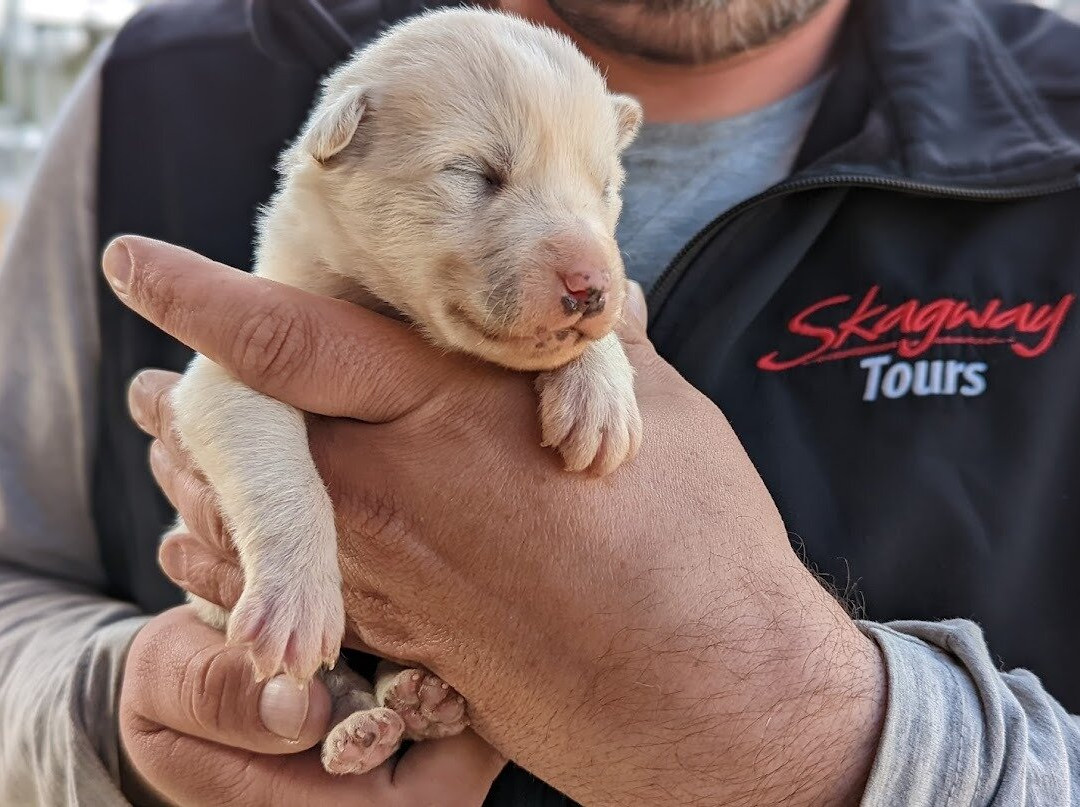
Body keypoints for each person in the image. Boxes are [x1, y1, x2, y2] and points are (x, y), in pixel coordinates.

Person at [3, 0, 1080, 803]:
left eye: (601, 195)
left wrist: (826, 740)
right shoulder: (156, 90)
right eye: (476, 179)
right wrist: (119, 723)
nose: (586, 263)